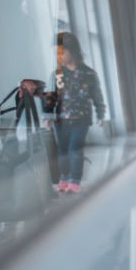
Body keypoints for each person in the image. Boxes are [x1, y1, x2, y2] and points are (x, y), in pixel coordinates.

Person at [43, 32, 106, 194]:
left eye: (62, 52)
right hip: (60, 121)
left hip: (81, 120)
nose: (59, 57)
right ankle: (64, 178)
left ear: (73, 51)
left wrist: (101, 114)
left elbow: (97, 96)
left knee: (75, 150)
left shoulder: (89, 74)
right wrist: (48, 116)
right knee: (62, 151)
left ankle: (75, 181)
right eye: (57, 53)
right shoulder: (57, 74)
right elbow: (51, 96)